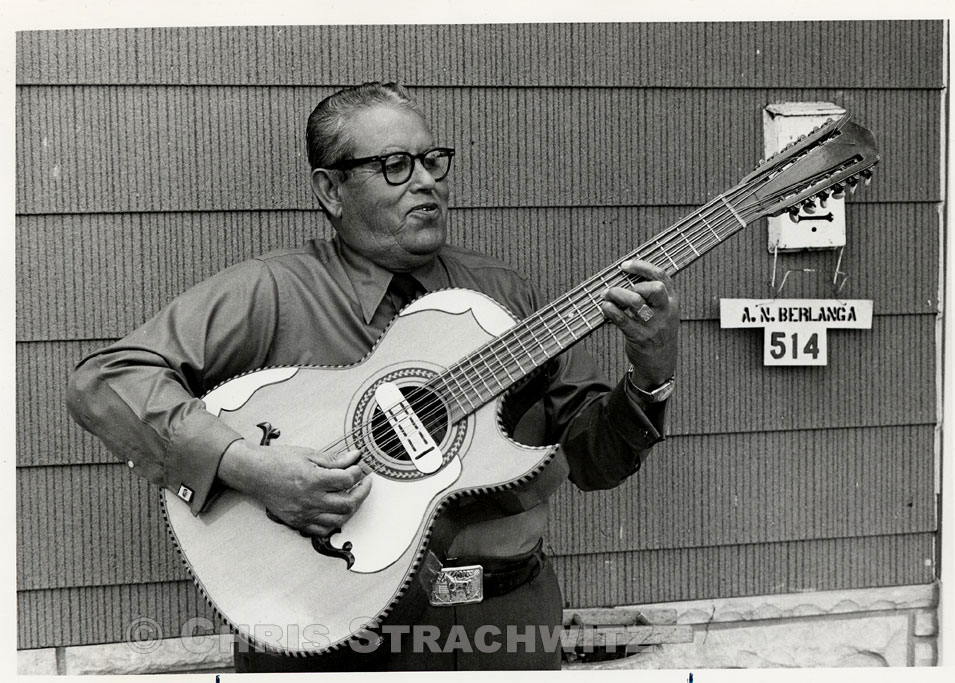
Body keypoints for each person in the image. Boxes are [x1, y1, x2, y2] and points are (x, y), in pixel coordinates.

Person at [66, 81, 680, 671]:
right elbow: (107, 380)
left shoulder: (502, 299)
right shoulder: (272, 291)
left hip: (508, 623)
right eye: (395, 165)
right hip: (321, 628)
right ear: (330, 190)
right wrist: (249, 467)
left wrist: (651, 370)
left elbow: (596, 464)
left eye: (433, 161)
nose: (427, 183)